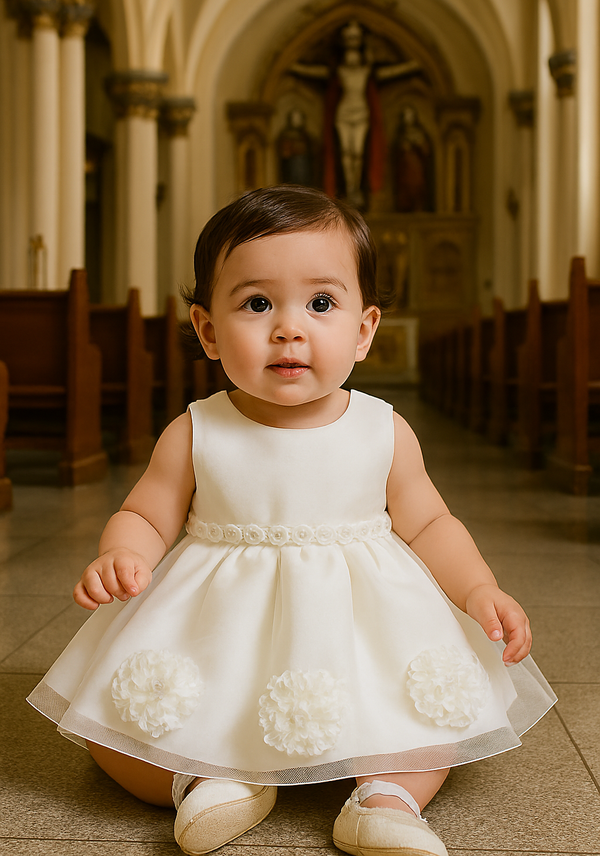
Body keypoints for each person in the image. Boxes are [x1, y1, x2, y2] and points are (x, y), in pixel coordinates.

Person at [28, 185, 556, 856]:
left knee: (431, 723)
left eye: (321, 303)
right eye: (256, 304)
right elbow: (145, 511)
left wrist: (480, 589)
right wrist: (122, 552)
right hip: (219, 626)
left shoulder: (382, 429)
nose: (289, 327)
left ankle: (387, 796)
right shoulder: (196, 431)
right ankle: (203, 780)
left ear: (364, 331)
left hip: (363, 627)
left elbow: (431, 525)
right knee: (118, 734)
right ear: (208, 330)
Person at [291, 20, 420, 206]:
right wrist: (294, 67)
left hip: (361, 113)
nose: (352, 58)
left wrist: (412, 65)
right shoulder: (338, 71)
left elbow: (391, 72)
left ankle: (356, 189)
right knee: (346, 152)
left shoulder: (367, 70)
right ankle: (350, 189)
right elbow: (316, 72)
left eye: (355, 42)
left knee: (358, 153)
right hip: (343, 112)